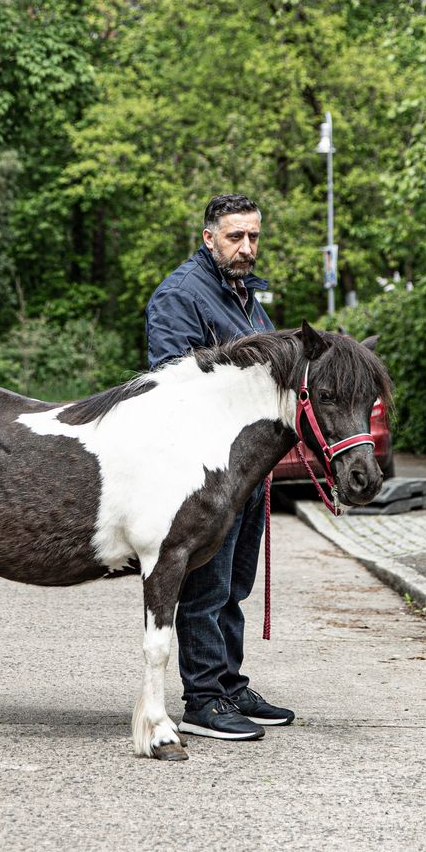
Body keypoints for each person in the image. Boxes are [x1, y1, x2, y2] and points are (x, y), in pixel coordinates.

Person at [145, 193, 295, 742]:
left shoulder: (247, 297)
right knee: (206, 587)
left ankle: (229, 684)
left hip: (246, 470)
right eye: (235, 237)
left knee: (234, 586)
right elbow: (170, 382)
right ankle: (204, 699)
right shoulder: (181, 295)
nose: (246, 247)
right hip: (207, 473)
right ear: (209, 237)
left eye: (253, 236)